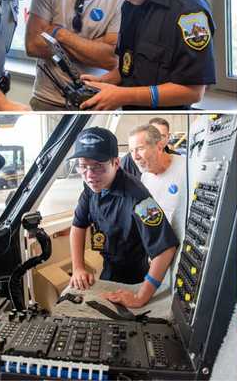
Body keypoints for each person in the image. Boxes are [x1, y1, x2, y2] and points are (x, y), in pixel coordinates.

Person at [77, 0, 217, 110]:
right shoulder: (132, 4)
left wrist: (122, 96)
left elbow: (193, 91)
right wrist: (104, 82)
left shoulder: (189, 13)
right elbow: (129, 66)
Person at [68, 126, 179, 309]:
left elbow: (166, 248)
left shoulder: (138, 197)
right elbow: (78, 225)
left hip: (134, 277)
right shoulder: (90, 185)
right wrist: (78, 267)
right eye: (83, 166)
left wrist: (140, 296)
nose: (89, 175)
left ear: (116, 163)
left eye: (98, 167)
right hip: (108, 268)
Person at [127, 124, 187, 249]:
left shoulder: (186, 169)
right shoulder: (145, 178)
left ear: (159, 147)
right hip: (159, 250)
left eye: (140, 149)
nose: (135, 157)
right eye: (132, 151)